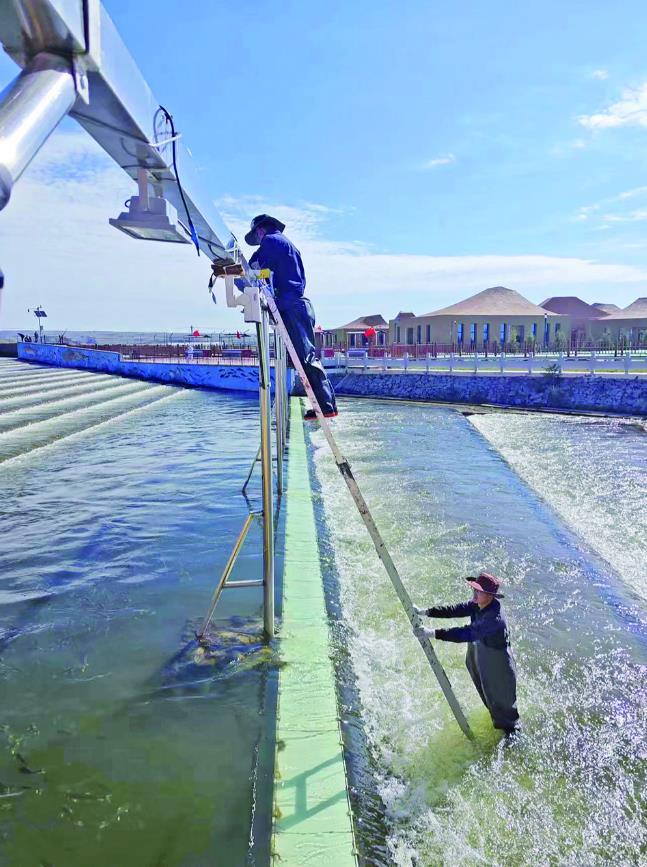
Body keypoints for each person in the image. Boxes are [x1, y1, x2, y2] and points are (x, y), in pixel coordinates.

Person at [212, 214, 338, 420]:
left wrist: (236, 271)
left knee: (305, 357)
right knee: (306, 357)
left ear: (261, 231)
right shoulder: (286, 244)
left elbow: (257, 267)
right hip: (297, 304)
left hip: (292, 305)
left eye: (257, 236)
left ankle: (325, 407)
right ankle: (325, 405)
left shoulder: (271, 242)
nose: (259, 240)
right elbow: (266, 272)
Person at [413, 572, 520, 735]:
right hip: (483, 653)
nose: (474, 593)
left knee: (506, 714)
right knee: (488, 698)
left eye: (479, 591)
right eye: (474, 589)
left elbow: (466, 634)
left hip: (499, 665)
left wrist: (433, 633)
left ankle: (513, 740)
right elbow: (456, 609)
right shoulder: (478, 603)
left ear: (490, 596)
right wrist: (426, 612)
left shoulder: (494, 619)